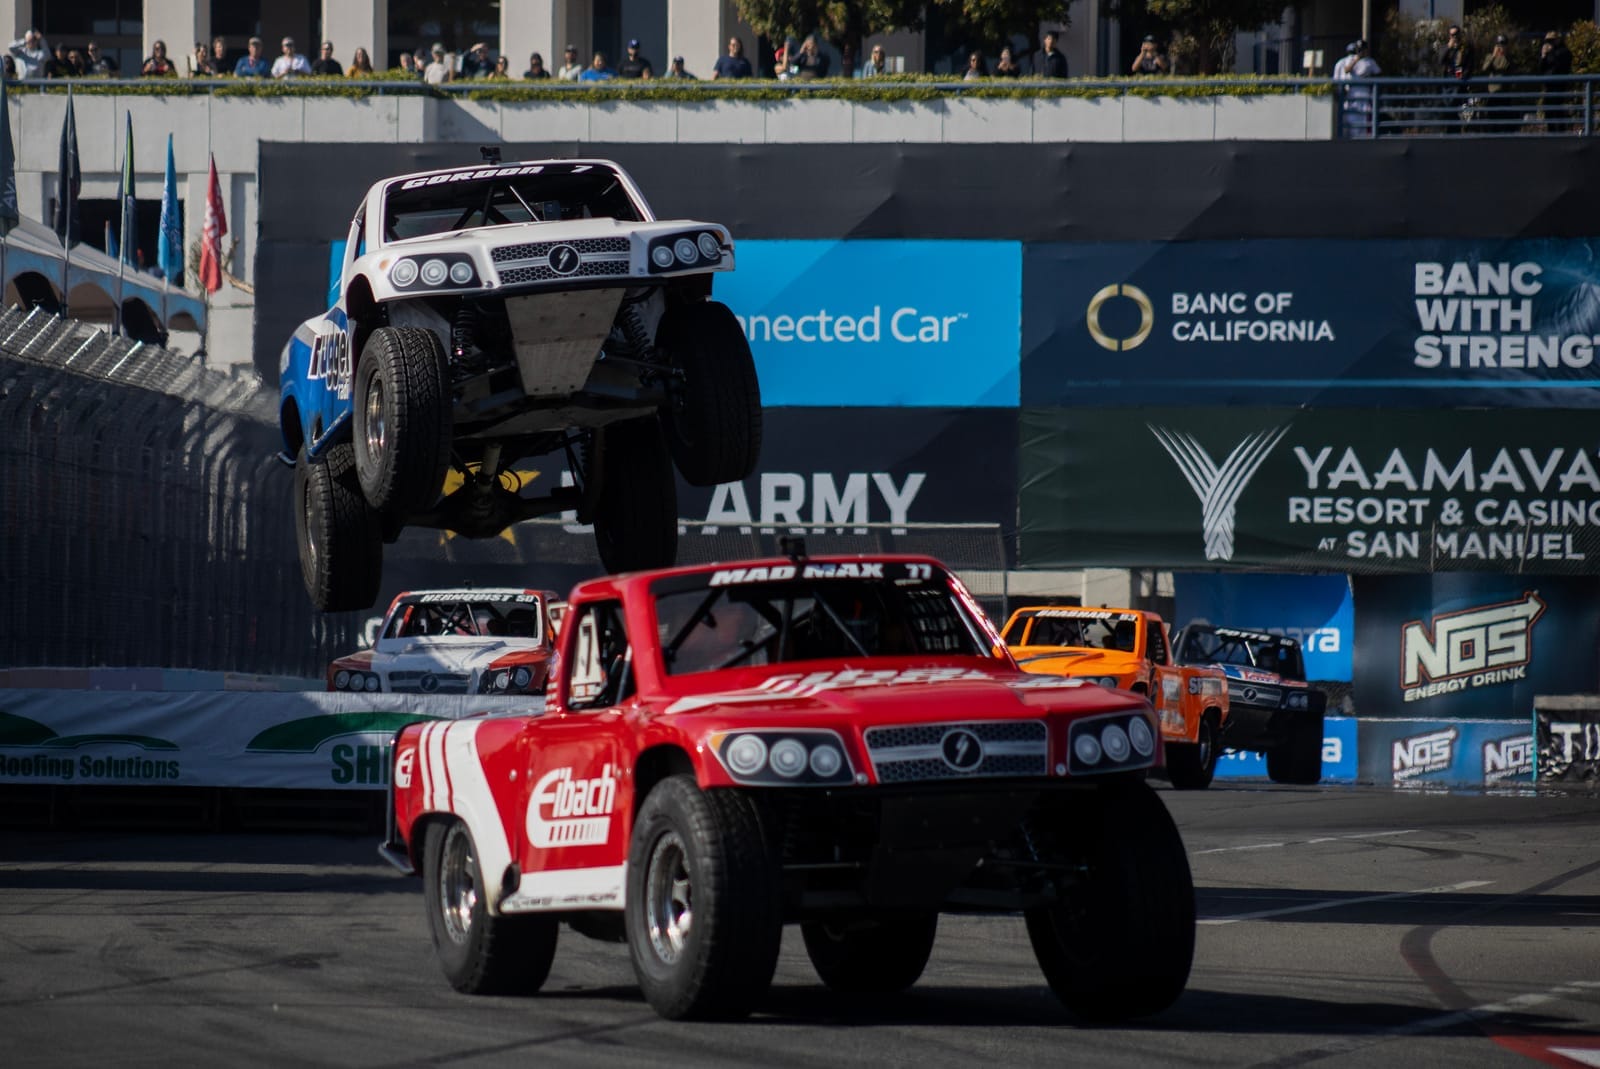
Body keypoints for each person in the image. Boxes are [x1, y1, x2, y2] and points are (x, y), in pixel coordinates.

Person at [1538, 31, 1573, 133]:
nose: (1549, 43)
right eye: (1548, 41)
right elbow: (1541, 68)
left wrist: (1551, 52)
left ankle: (1561, 131)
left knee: (1558, 110)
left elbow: (1560, 63)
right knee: (1548, 109)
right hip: (1549, 86)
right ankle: (1551, 131)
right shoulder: (1548, 53)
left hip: (1559, 86)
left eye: (1552, 41)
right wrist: (1543, 56)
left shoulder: (1563, 51)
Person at [1440, 25, 1473, 132]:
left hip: (1459, 86)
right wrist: (1449, 47)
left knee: (1457, 114)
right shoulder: (1447, 48)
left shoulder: (1465, 48)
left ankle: (1457, 133)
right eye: (1452, 35)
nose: (1454, 37)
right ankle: (1450, 134)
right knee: (1449, 114)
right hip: (1448, 86)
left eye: (1456, 34)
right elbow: (1440, 60)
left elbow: (1469, 66)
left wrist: (1463, 77)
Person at [1346, 40, 1381, 138]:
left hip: (1365, 92)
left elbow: (1379, 74)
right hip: (1353, 93)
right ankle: (1353, 137)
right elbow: (1346, 70)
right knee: (1352, 117)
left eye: (1362, 50)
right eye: (1359, 49)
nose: (1361, 51)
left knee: (1365, 116)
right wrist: (1356, 59)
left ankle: (1365, 137)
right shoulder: (1352, 59)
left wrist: (1369, 78)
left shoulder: (1370, 61)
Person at [1479, 34, 1513, 128]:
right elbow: (1484, 69)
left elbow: (1509, 68)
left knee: (1504, 119)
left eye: (1503, 45)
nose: (1500, 47)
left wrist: (1505, 54)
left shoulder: (1508, 58)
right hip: (1492, 93)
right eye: (1498, 45)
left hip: (1505, 93)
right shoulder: (1490, 56)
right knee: (1492, 119)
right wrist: (1493, 56)